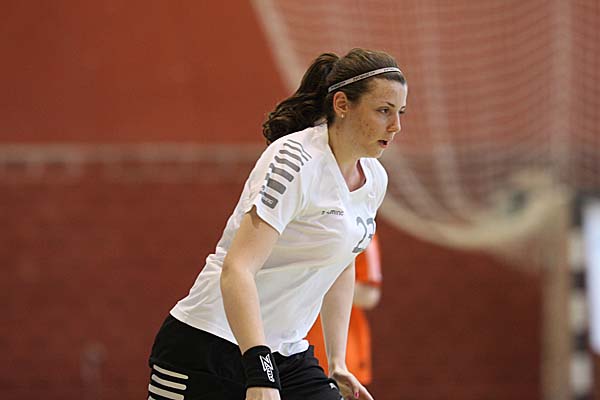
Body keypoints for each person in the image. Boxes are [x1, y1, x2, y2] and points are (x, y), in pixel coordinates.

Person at [147, 48, 408, 400]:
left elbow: (341, 264)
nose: (396, 126)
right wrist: (259, 373)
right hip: (208, 344)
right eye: (383, 111)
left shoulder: (374, 178)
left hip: (286, 352)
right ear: (342, 104)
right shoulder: (294, 160)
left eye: (400, 112)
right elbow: (237, 269)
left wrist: (337, 361)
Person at [306, 234, 382, 386]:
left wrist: (318, 282)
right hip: (288, 346)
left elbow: (370, 293)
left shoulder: (362, 228)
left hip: (339, 349)